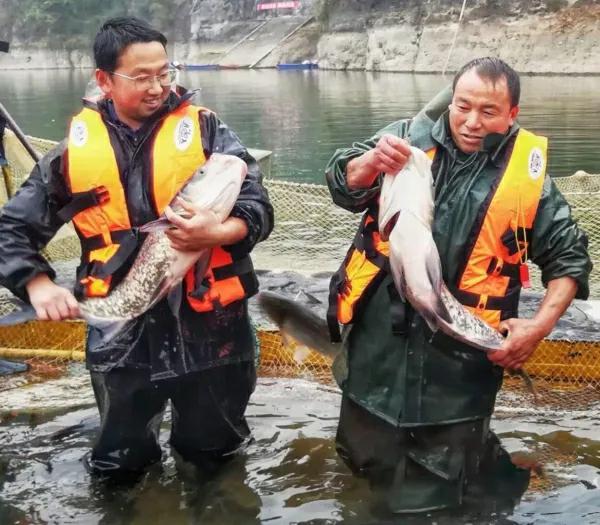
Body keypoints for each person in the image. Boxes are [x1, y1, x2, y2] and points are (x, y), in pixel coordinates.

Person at [0, 17, 273, 480]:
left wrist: (219, 232)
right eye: (141, 77)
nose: (158, 87)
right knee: (119, 466)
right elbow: (11, 231)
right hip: (119, 338)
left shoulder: (207, 132)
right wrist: (37, 283)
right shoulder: (70, 154)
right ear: (104, 80)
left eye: (165, 73)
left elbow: (259, 205)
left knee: (217, 459)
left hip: (213, 332)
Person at [325, 57, 591, 513]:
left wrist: (538, 327)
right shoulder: (405, 139)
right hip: (375, 357)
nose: (471, 122)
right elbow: (342, 184)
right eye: (462, 106)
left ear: (513, 115)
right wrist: (366, 164)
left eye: (488, 112)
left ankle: (487, 488)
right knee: (360, 468)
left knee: (430, 498)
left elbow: (570, 260)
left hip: (456, 374)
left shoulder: (530, 185)